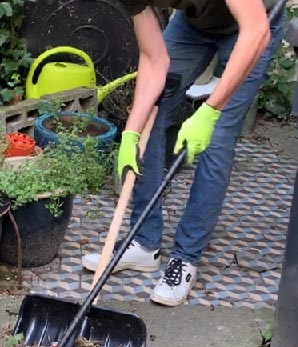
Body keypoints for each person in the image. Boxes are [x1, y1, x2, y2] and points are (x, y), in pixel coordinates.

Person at [82, 0, 285, 306]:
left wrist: (209, 112)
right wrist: (130, 134)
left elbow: (256, 30)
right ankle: (145, 242)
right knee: (153, 113)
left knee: (216, 138)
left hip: (253, 25)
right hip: (194, 24)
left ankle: (185, 258)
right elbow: (153, 60)